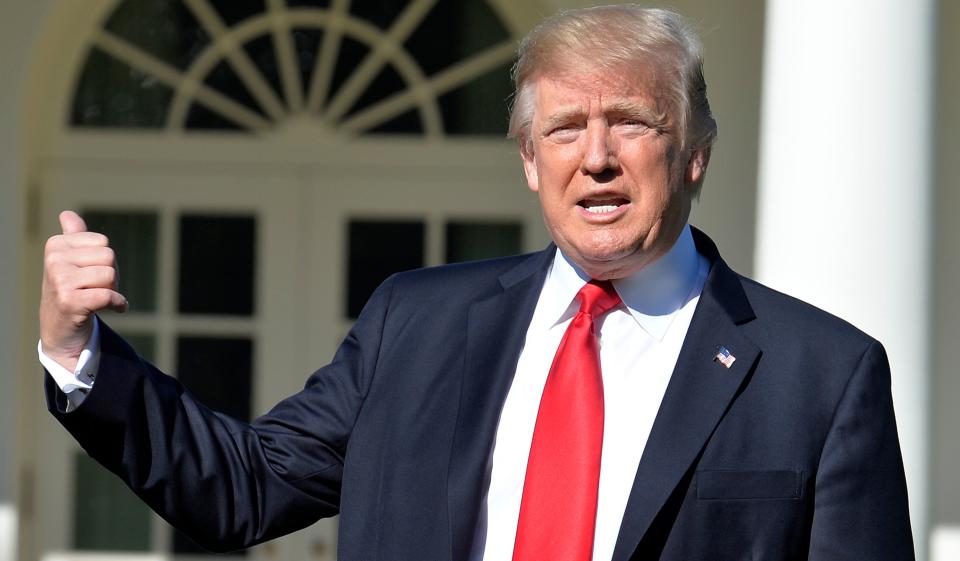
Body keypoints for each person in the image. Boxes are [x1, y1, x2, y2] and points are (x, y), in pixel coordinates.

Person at [39, 5, 914, 561]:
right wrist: (79, 354)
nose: (598, 157)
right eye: (566, 129)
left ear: (694, 153)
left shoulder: (822, 374)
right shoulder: (414, 322)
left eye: (632, 123)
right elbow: (242, 485)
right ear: (531, 163)